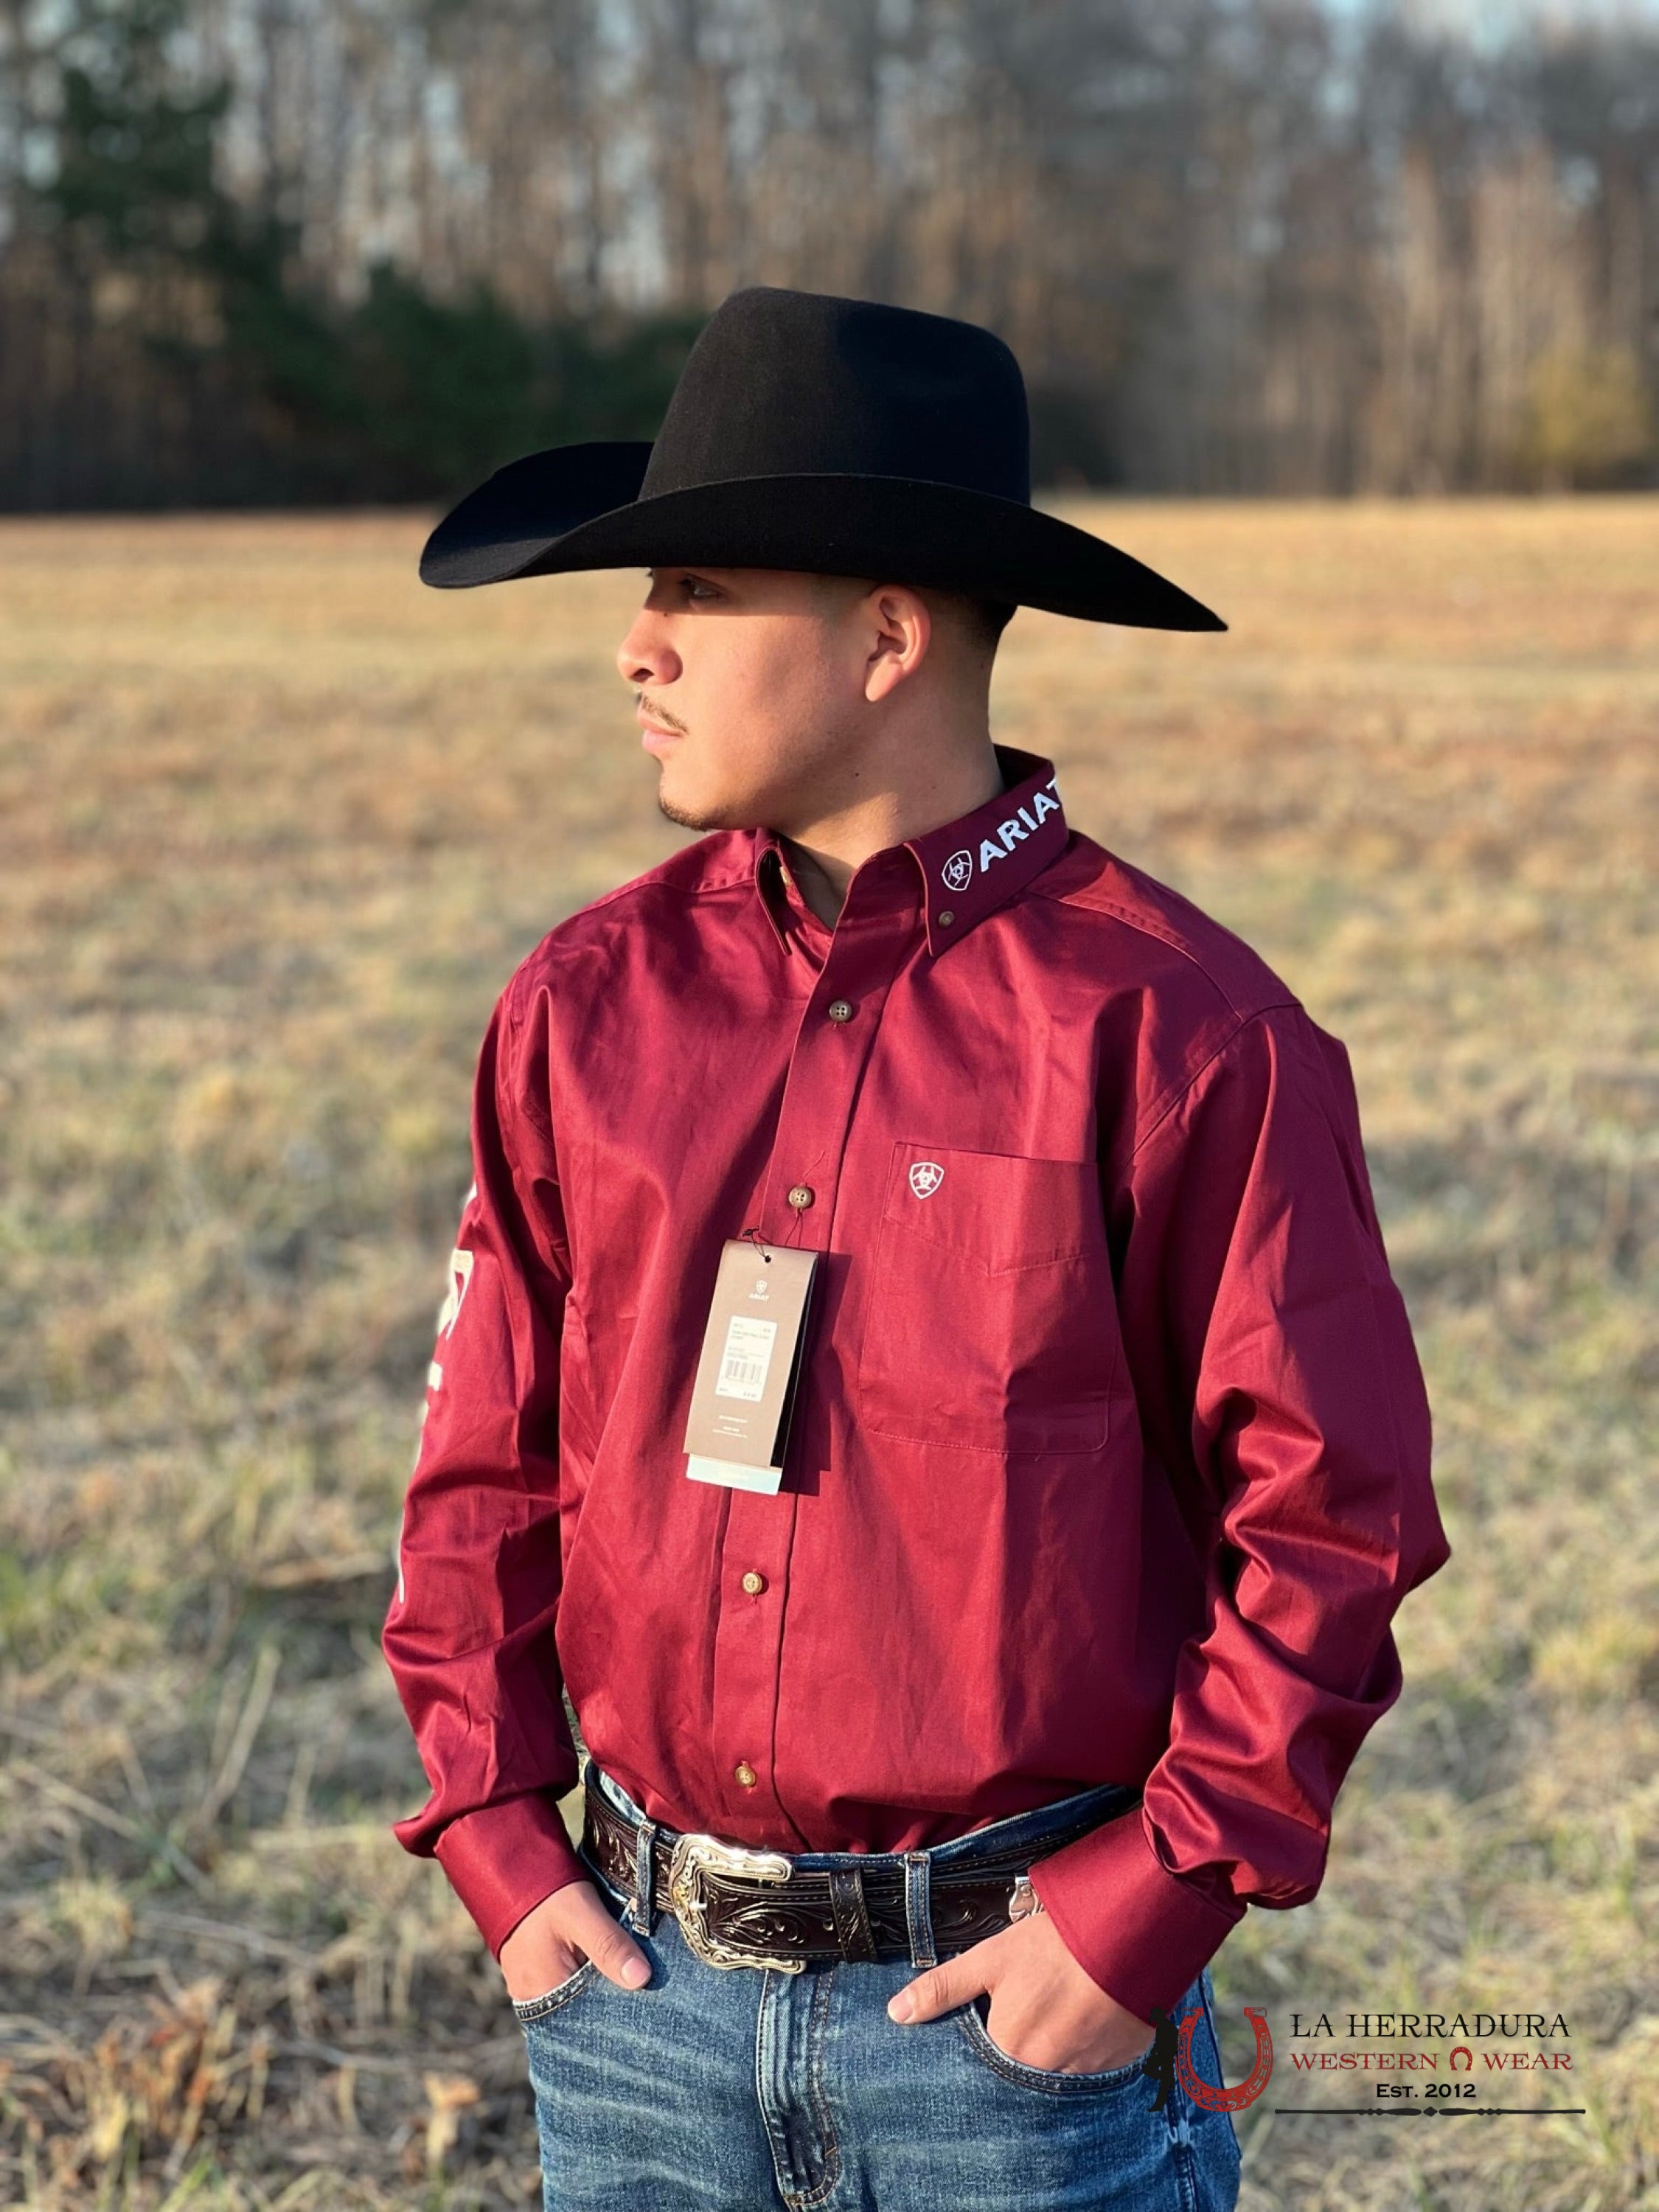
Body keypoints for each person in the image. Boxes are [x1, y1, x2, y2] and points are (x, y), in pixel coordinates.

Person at [382, 286, 1450, 2212]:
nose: (634, 649)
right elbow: (479, 1469)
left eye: (697, 588)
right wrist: (494, 1834)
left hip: (1004, 2041)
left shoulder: (1183, 1033)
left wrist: (1147, 1913)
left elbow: (1334, 1514)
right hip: (630, 2013)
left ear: (884, 633)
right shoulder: (581, 1007)